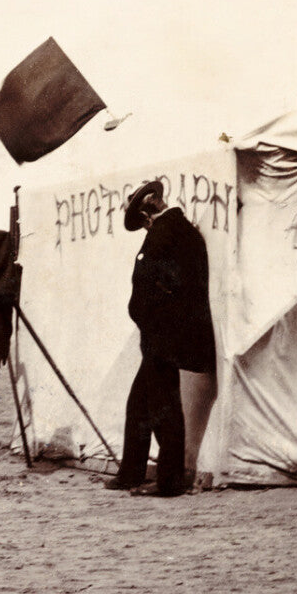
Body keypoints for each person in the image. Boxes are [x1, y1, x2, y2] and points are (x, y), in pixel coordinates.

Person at [106, 180, 216, 497]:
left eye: (142, 220)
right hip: (165, 336)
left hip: (163, 338)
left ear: (149, 210)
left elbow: (159, 287)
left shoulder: (165, 235)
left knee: (164, 408)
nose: (144, 226)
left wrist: (147, 318)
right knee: (139, 404)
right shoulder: (183, 231)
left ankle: (168, 481)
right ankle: (132, 472)